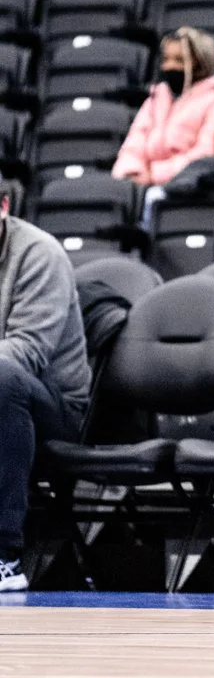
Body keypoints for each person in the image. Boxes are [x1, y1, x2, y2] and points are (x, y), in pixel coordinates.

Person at [0, 184, 91, 591]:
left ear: (4, 206)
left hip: (53, 406)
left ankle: (4, 558)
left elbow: (26, 352)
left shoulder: (39, 254)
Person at [112, 26, 214, 187]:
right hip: (144, 183)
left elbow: (207, 152)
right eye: (166, 59)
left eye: (179, 60)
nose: (169, 67)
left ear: (200, 63)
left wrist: (155, 174)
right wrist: (131, 173)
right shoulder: (156, 98)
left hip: (189, 186)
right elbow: (134, 144)